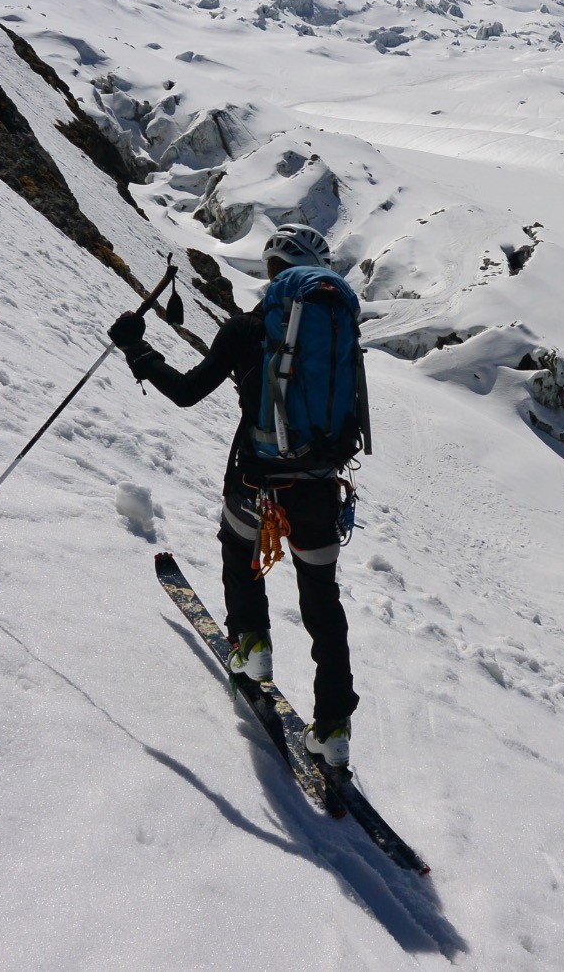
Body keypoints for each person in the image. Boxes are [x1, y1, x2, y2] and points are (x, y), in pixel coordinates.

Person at [109, 224, 359, 768]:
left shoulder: (246, 330)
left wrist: (136, 347)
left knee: (239, 553)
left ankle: (254, 646)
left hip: (256, 479)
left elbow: (186, 391)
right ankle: (334, 727)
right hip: (319, 487)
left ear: (269, 268)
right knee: (322, 600)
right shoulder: (339, 334)